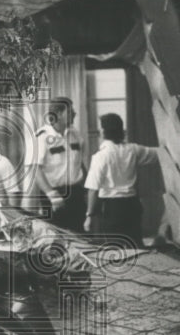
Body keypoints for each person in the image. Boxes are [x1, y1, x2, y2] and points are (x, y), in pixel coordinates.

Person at [83, 113, 161, 247]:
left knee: (113, 249)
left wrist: (89, 215)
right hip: (132, 206)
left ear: (103, 131)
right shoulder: (133, 150)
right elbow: (160, 153)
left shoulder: (101, 156)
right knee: (135, 246)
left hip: (112, 209)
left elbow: (93, 190)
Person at [32, 97, 86, 232]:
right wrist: (52, 195)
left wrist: (87, 187)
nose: (74, 114)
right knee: (55, 237)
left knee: (78, 234)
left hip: (76, 193)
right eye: (70, 111)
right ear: (58, 114)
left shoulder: (75, 134)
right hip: (54, 195)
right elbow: (35, 169)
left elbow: (80, 162)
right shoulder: (41, 137)